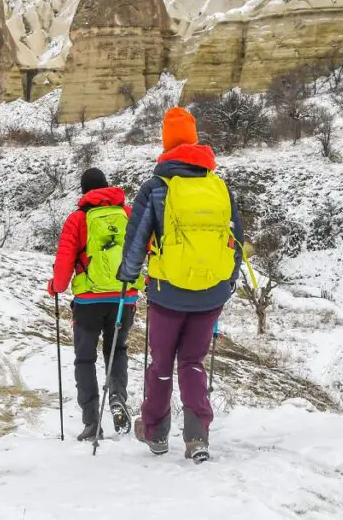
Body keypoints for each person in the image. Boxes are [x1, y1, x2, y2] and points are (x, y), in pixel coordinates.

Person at [117, 107, 242, 462]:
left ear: (165, 143)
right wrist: (226, 283)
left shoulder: (156, 187)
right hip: (211, 293)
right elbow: (236, 240)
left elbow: (137, 239)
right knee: (192, 362)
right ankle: (197, 437)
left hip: (167, 292)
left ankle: (156, 433)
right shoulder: (219, 187)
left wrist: (127, 276)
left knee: (161, 363)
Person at [48, 168, 144, 442]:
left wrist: (55, 286)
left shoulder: (77, 219)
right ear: (106, 186)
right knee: (118, 350)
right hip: (124, 297)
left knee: (85, 359)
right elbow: (144, 248)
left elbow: (65, 265)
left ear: (84, 191)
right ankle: (116, 397)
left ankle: (92, 423)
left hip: (89, 302)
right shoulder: (127, 214)